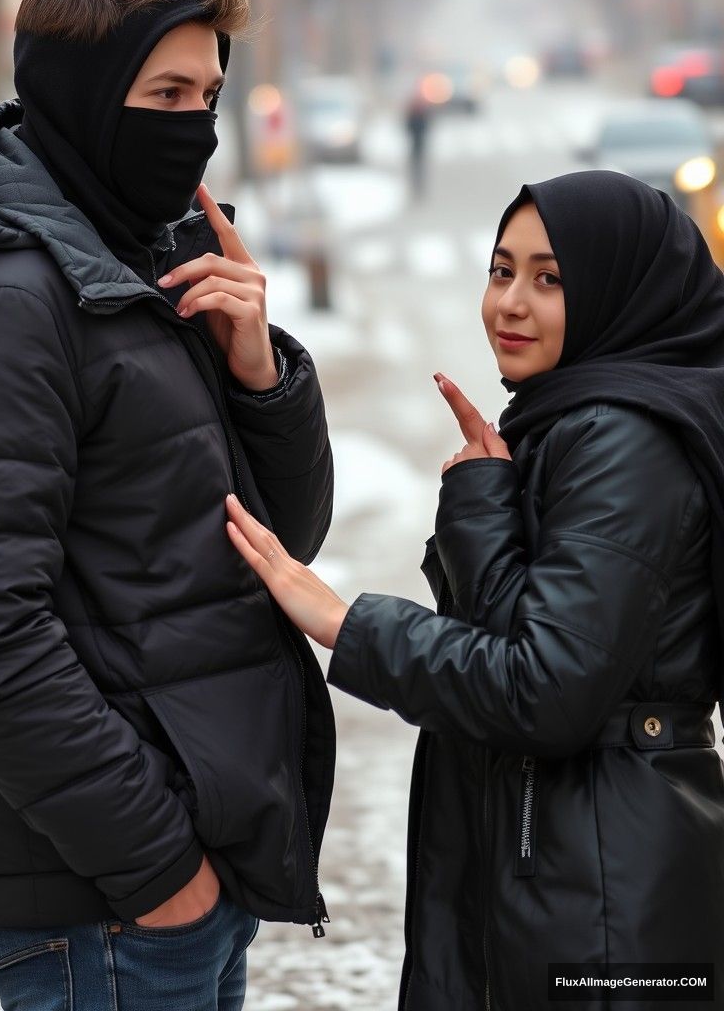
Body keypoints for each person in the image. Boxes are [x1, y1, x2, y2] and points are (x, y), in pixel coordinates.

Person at [0, 0, 335, 1011]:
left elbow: (280, 541)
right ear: (85, 95)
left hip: (174, 861)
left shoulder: (139, 251)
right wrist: (157, 868)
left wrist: (258, 370)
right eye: (167, 93)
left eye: (211, 94)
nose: (196, 124)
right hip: (101, 895)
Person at [225, 170, 724, 1011]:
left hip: (601, 908)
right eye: (501, 271)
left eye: (551, 278)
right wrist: (490, 494)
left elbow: (542, 689)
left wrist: (352, 624)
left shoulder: (626, 440)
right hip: (581, 874)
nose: (511, 304)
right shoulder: (573, 420)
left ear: (621, 290)